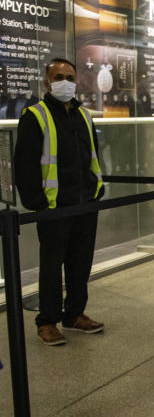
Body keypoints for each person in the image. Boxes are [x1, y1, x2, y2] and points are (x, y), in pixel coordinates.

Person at [14, 57, 105, 346]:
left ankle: (75, 314)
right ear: (47, 82)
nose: (65, 82)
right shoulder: (35, 115)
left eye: (69, 77)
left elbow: (92, 155)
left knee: (80, 263)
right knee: (52, 266)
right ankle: (48, 321)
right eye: (58, 77)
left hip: (84, 202)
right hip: (54, 207)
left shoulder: (84, 116)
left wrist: (96, 188)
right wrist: (36, 202)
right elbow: (24, 164)